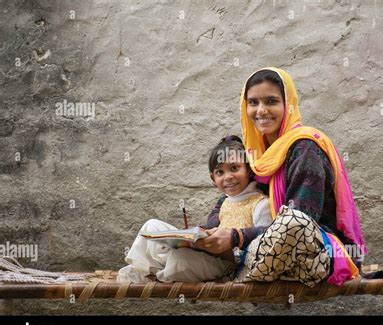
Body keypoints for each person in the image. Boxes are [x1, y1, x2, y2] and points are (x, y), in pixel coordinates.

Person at [196, 67, 367, 286]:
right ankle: (236, 265)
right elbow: (234, 196)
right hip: (267, 251)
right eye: (253, 102)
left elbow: (300, 222)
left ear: (288, 105)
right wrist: (209, 229)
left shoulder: (305, 148)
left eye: (271, 101)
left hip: (315, 254)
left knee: (292, 221)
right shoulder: (259, 153)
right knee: (160, 231)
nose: (261, 110)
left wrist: (236, 237)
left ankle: (236, 271)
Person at [117, 135, 273, 283]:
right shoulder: (224, 202)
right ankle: (148, 268)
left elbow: (265, 245)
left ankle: (155, 274)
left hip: (226, 266)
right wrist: (193, 237)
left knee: (181, 260)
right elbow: (210, 230)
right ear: (213, 178)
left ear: (249, 170)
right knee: (151, 226)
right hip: (206, 255)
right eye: (220, 172)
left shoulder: (260, 204)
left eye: (234, 168)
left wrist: (232, 248)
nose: (228, 177)